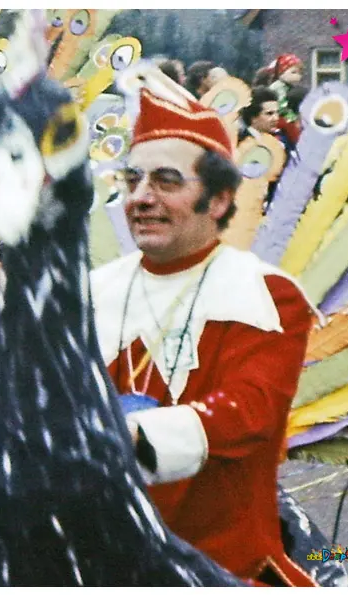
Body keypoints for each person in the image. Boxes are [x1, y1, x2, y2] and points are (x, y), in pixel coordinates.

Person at [90, 88, 317, 586]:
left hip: (222, 568)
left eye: (166, 181)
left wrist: (130, 435)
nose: (141, 197)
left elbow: (249, 411)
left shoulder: (267, 294)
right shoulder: (93, 291)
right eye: (133, 180)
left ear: (218, 200)